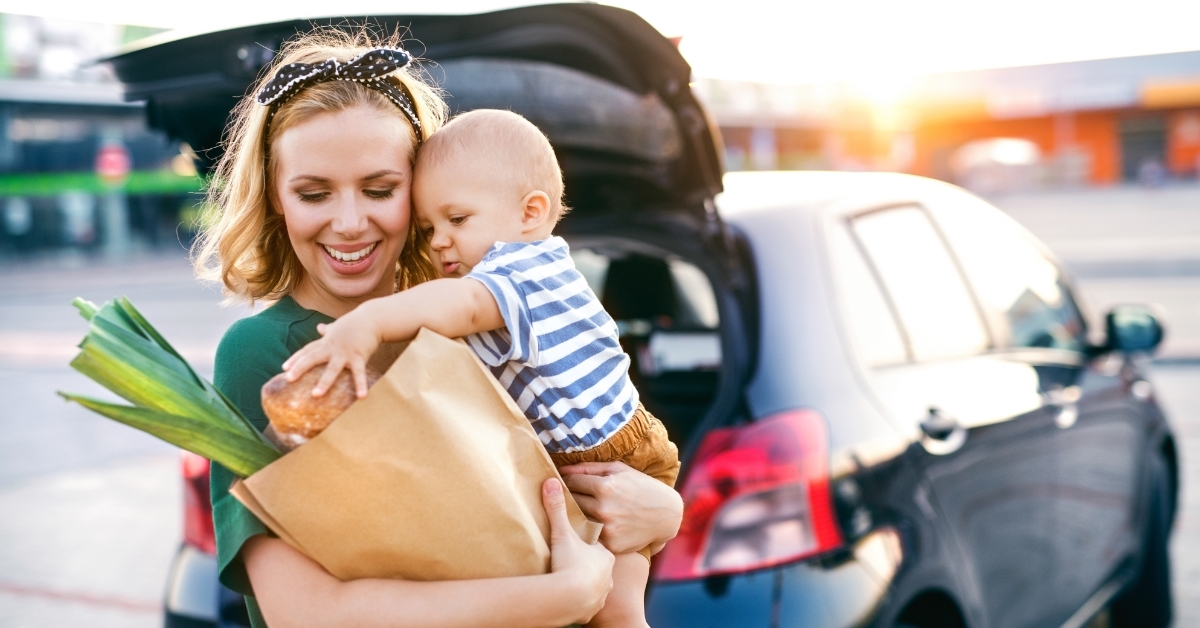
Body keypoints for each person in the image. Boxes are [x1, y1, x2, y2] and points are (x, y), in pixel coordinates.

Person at [194, 29, 682, 628]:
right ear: (276, 200)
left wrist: (663, 511)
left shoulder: (462, 330)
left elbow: (545, 487)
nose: (349, 222)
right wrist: (561, 598)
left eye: (380, 189)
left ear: (423, 192)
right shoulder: (267, 352)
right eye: (314, 193)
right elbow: (304, 614)